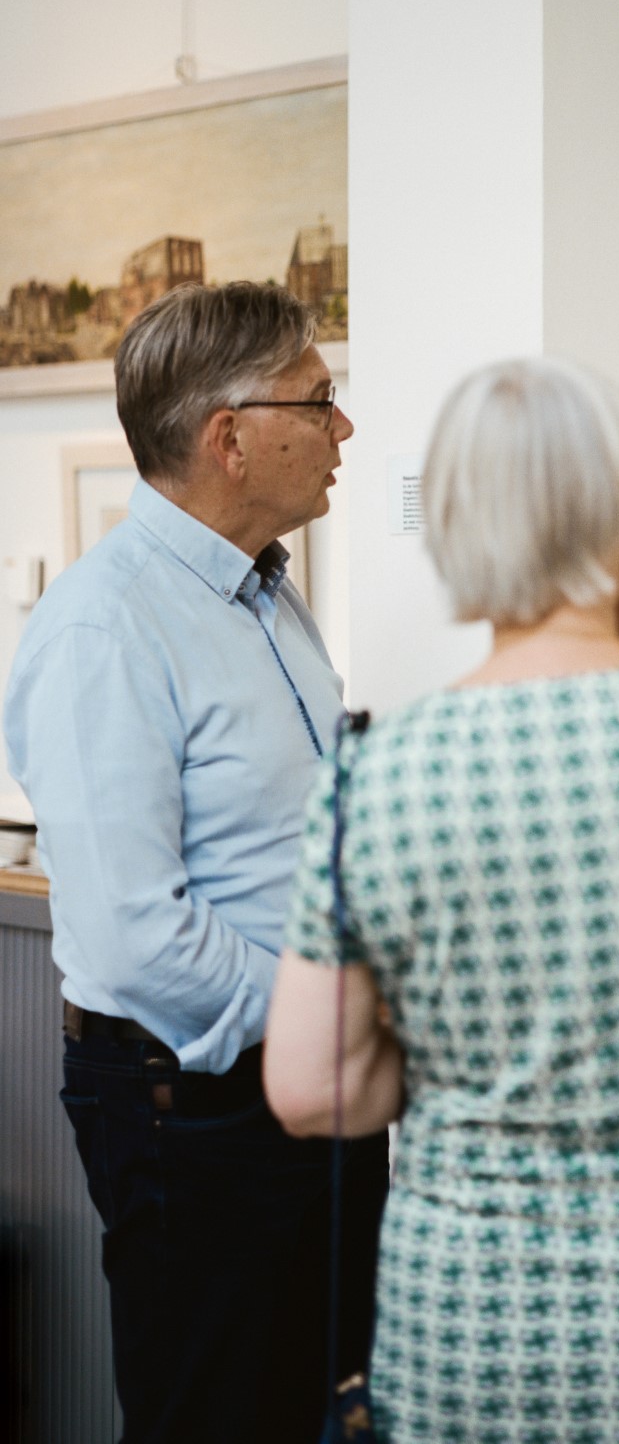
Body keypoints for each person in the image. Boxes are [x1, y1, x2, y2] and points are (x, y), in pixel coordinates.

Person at [264, 356, 619, 1443]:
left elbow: (311, 1091)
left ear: (449, 526)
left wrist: (445, 1049)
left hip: (478, 1302)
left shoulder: (374, 775)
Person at [3, 282, 387, 1444]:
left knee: (327, 1407)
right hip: (195, 1105)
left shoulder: (269, 598)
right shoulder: (100, 629)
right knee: (217, 1418)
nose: (344, 428)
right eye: (321, 399)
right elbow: (131, 932)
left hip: (310, 1079)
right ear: (229, 436)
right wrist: (327, 1013)